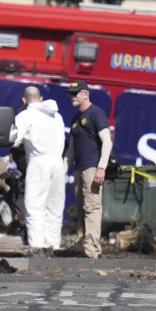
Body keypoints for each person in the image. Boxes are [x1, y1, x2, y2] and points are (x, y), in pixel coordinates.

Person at [9, 85, 66, 252]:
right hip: (57, 162)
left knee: (35, 206)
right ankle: (53, 246)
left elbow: (14, 140)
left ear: (24, 101)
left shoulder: (25, 115)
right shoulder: (57, 116)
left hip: (38, 161)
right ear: (41, 99)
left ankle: (36, 246)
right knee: (54, 207)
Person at [60, 80, 111, 259]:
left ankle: (92, 250)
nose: (72, 97)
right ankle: (86, 246)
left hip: (92, 168)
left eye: (75, 93)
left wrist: (101, 168)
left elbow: (107, 142)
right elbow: (72, 149)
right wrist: (64, 168)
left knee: (92, 208)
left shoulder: (96, 113)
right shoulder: (75, 119)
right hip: (79, 169)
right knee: (82, 208)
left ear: (86, 94)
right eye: (70, 94)